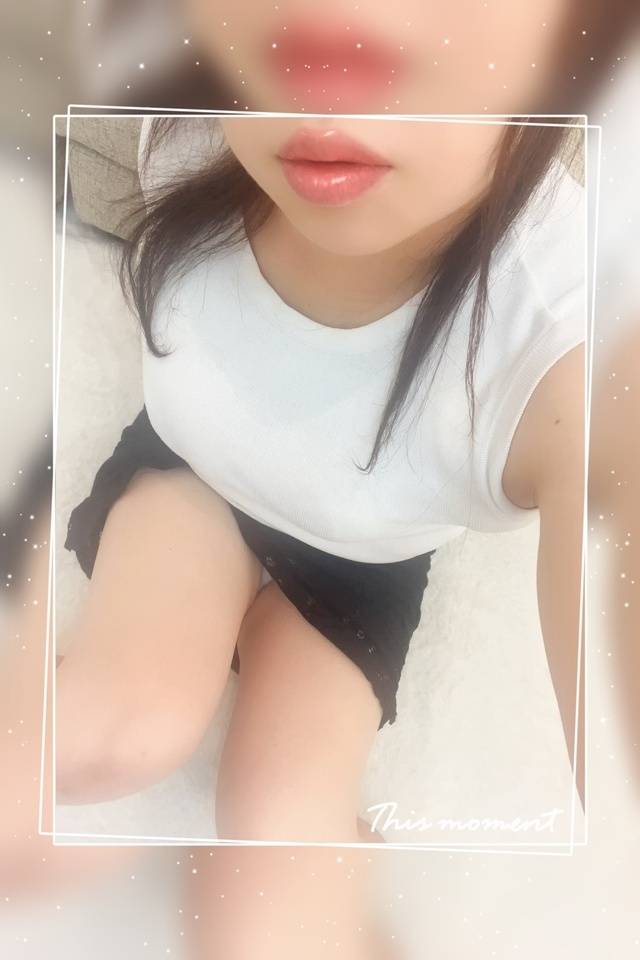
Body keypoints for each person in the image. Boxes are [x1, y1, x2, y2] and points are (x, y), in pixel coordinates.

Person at [59, 103, 586, 843]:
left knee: (284, 843)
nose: (340, 88)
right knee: (107, 734)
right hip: (195, 468)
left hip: (362, 563)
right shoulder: (194, 121)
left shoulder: (570, 315)